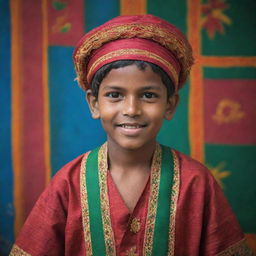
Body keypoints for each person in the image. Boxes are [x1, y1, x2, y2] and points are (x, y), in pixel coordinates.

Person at [10, 14, 255, 256]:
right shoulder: (68, 184)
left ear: (170, 105)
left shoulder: (196, 182)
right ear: (94, 104)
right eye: (115, 95)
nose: (131, 110)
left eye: (148, 95)